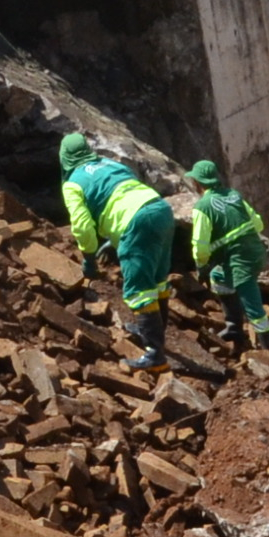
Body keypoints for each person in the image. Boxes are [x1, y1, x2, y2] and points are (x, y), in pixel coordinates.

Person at [56, 133, 182, 368]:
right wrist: (114, 240)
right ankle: (155, 331)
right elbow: (124, 194)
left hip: (137, 221)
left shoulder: (73, 183)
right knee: (157, 278)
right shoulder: (110, 163)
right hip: (160, 209)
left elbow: (82, 227)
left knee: (139, 289)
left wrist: (89, 259)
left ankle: (155, 355)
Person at [183, 160, 269, 360]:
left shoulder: (203, 206)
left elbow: (200, 246)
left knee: (253, 307)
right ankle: (234, 329)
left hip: (239, 261)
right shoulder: (234, 195)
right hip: (255, 252)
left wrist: (201, 267)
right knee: (219, 278)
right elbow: (258, 224)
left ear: (198, 183)